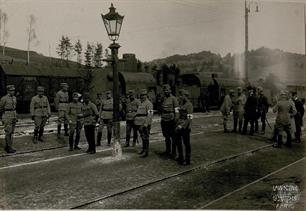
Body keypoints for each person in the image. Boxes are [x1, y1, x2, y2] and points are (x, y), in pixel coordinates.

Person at [160, 84, 179, 159]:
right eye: (165, 90)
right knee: (166, 137)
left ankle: (174, 153)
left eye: (167, 90)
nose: (166, 92)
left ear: (170, 90)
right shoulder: (163, 98)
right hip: (164, 120)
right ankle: (168, 151)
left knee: (173, 137)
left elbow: (177, 110)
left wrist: (176, 119)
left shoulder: (174, 99)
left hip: (171, 120)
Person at [174, 89, 193, 165]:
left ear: (186, 96)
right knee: (178, 142)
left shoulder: (189, 105)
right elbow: (178, 114)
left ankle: (187, 159)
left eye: (182, 95)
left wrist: (181, 126)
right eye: (180, 95)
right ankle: (181, 157)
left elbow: (189, 118)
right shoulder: (181, 104)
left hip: (185, 127)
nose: (180, 97)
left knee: (186, 143)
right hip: (179, 125)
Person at [134, 89, 153, 158]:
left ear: (146, 96)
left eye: (144, 95)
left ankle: (146, 152)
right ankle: (143, 149)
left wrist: (146, 124)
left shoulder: (149, 104)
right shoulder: (141, 103)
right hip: (139, 123)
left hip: (144, 123)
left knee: (146, 137)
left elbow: (150, 115)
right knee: (142, 137)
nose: (142, 96)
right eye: (141, 95)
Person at [0, 85, 17, 153]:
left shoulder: (14, 98)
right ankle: (8, 147)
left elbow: (15, 107)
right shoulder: (4, 98)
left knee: (12, 132)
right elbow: (0, 108)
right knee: (8, 132)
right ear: (8, 91)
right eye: (11, 90)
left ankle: (9, 146)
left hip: (13, 115)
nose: (13, 92)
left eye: (13, 90)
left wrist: (15, 116)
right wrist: (3, 116)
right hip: (7, 115)